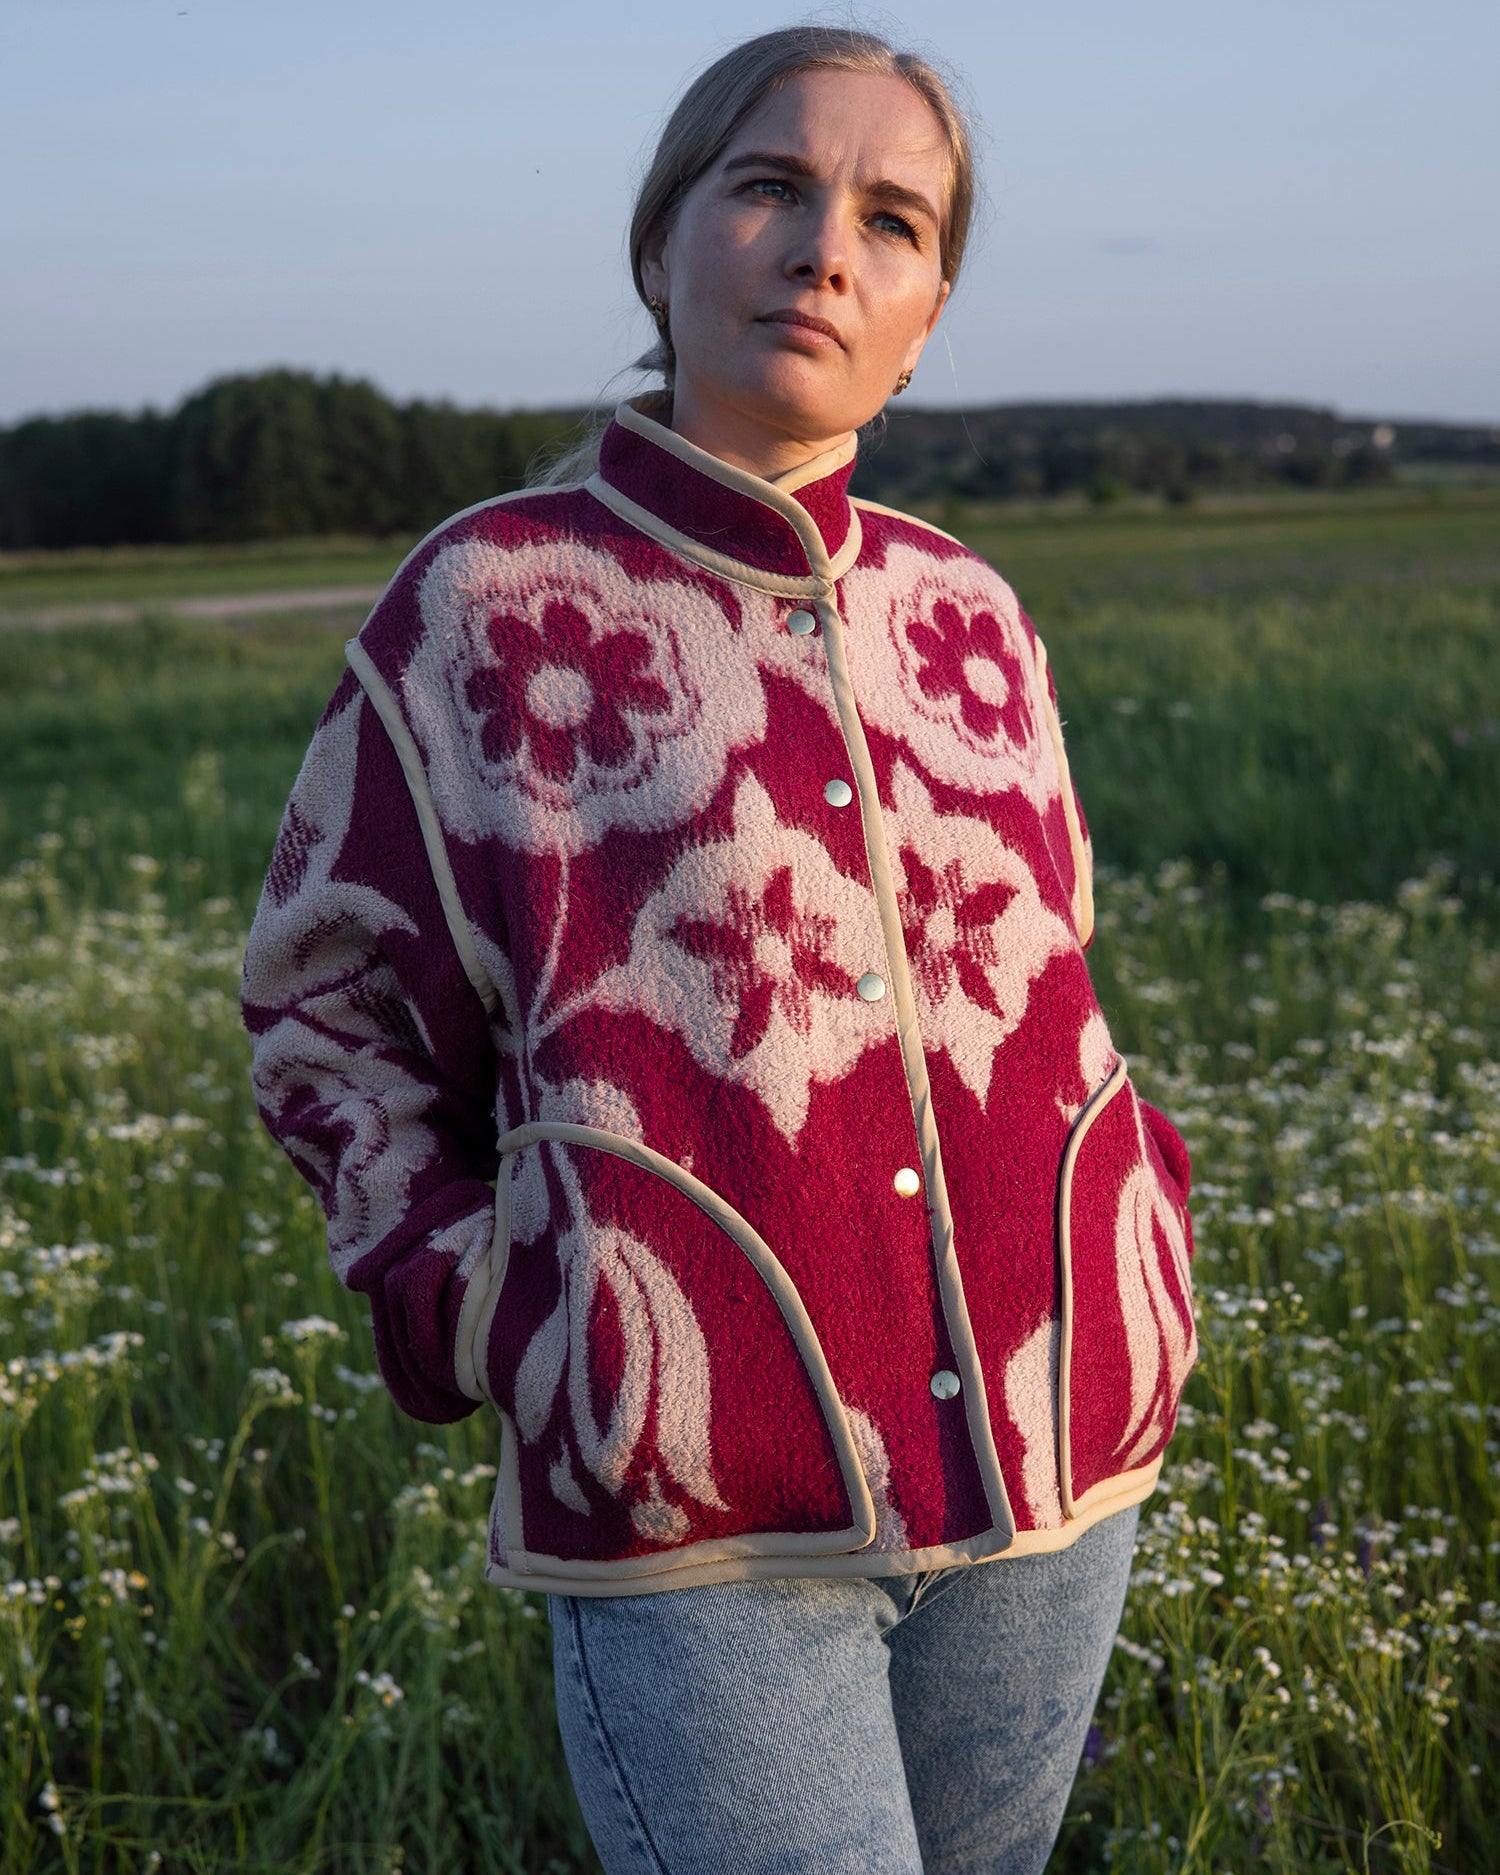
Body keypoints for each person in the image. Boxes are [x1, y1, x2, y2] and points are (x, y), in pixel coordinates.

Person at [240, 25, 1197, 1874]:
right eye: (770, 184)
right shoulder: (484, 603)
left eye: (894, 220)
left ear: (926, 312)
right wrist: (507, 1315)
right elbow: (324, 1018)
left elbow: (1058, 972)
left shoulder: (976, 614)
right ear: (662, 240)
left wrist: (1139, 1216)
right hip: (698, 1517)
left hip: (1060, 1474)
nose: (827, 246)